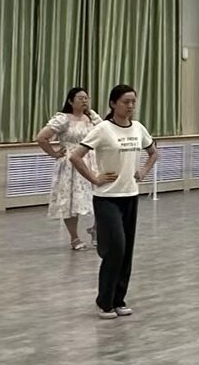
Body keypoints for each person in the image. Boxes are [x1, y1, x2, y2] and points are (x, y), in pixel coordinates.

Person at [69, 84, 155, 320]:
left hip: (130, 196)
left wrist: (143, 170)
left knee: (126, 251)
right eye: (125, 101)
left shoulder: (138, 128)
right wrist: (94, 178)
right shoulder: (103, 129)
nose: (130, 106)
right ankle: (104, 302)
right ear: (113, 104)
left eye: (133, 102)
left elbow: (153, 152)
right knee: (115, 247)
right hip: (107, 198)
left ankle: (119, 300)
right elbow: (76, 157)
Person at [34, 86, 97, 251]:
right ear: (70, 101)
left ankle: (95, 229)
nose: (84, 101)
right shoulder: (63, 119)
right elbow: (41, 137)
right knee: (71, 202)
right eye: (80, 98)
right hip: (71, 163)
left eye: (86, 98)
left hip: (92, 161)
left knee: (100, 197)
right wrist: (54, 154)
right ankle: (74, 238)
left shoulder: (92, 117)